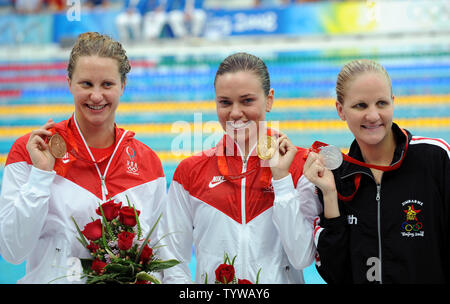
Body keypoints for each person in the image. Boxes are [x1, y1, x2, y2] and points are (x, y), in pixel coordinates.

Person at [0, 32, 166, 284]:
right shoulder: (31, 151)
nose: (96, 96)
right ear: (69, 83)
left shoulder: (148, 162)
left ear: (123, 85)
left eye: (107, 84)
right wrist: (41, 176)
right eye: (86, 84)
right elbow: (12, 251)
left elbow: (160, 257)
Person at [159, 52, 322, 284]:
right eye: (225, 102)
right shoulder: (190, 173)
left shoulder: (300, 166)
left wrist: (282, 181)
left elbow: (302, 258)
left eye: (247, 101)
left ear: (269, 100)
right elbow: (173, 260)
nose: (235, 113)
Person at [303, 59, 450, 283]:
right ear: (340, 110)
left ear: (393, 102)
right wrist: (331, 196)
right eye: (360, 105)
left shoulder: (435, 158)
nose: (373, 116)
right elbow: (335, 274)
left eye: (381, 103)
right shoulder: (337, 178)